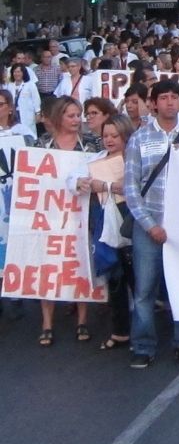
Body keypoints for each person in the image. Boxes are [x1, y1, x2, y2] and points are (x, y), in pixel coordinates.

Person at [123, 79, 179, 368]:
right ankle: (143, 346)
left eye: (174, 97)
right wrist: (149, 225)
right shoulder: (139, 139)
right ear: (154, 103)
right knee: (145, 290)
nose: (170, 102)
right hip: (149, 227)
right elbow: (131, 187)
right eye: (164, 97)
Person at [34, 96, 99, 346]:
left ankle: (82, 320)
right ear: (59, 117)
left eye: (78, 115)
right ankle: (46, 323)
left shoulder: (91, 144)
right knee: (47, 266)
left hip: (82, 214)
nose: (76, 120)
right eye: (71, 115)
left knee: (79, 263)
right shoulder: (42, 144)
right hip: (49, 215)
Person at [69, 114, 135, 352]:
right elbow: (71, 179)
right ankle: (120, 331)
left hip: (133, 222)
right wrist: (81, 183)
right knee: (115, 278)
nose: (109, 140)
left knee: (138, 281)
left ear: (125, 136)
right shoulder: (96, 160)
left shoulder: (135, 159)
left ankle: (143, 334)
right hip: (107, 224)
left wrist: (109, 185)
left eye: (114, 135)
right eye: (106, 135)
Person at [7, 63, 39, 131]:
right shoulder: (10, 85)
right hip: (14, 115)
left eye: (19, 72)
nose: (16, 74)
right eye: (14, 72)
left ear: (23, 73)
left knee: (28, 132)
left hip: (27, 114)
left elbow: (36, 100)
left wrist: (38, 113)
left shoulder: (30, 85)